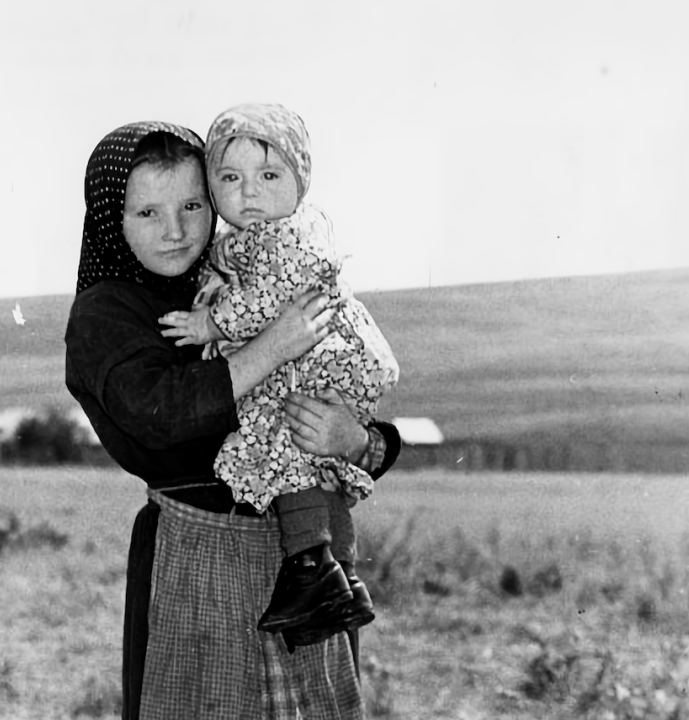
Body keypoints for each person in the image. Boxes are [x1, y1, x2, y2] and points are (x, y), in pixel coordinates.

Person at [65, 120, 402, 719]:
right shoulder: (107, 313)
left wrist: (359, 442)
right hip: (200, 556)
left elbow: (337, 378)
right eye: (148, 213)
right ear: (111, 219)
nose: (176, 230)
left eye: (193, 204)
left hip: (308, 558)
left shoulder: (243, 278)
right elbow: (164, 415)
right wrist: (274, 344)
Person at [159, 103, 399, 639]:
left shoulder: (289, 238)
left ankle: (311, 567)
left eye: (268, 176)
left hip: (320, 359)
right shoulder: (255, 239)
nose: (249, 193)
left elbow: (269, 300)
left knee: (282, 438)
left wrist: (208, 324)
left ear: (300, 181)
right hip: (318, 357)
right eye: (230, 178)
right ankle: (343, 571)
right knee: (312, 454)